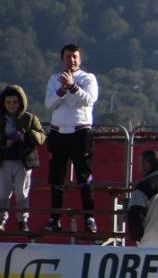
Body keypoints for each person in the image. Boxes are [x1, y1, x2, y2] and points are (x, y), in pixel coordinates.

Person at [43, 44, 99, 234]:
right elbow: (49, 105)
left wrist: (73, 86)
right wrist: (62, 90)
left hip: (80, 131)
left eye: (74, 57)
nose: (71, 60)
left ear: (80, 59)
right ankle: (55, 218)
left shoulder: (88, 78)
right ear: (63, 59)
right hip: (58, 132)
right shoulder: (54, 79)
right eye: (68, 57)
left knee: (84, 176)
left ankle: (90, 218)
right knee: (56, 178)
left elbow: (88, 100)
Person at [0, 85, 45, 234]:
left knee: (21, 193)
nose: (12, 105)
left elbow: (41, 136)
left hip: (23, 161)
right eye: (8, 102)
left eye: (15, 102)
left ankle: (23, 221)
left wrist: (25, 136)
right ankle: (1, 220)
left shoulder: (30, 118)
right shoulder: (1, 120)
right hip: (4, 161)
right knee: (3, 193)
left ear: (21, 102)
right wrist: (5, 141)